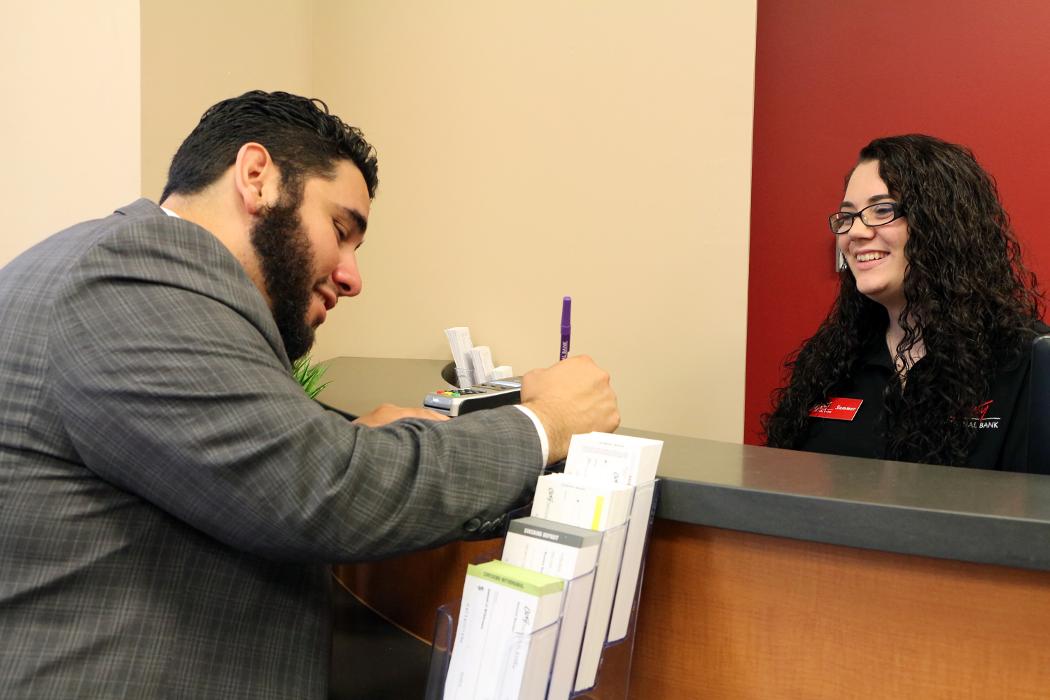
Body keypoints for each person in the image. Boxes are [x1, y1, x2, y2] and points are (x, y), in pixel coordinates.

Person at [0, 90, 619, 699]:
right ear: (257, 177)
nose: (352, 276)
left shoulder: (108, 265)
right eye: (341, 229)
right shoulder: (137, 270)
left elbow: (233, 458)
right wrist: (548, 421)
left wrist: (346, 440)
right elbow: (320, 490)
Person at [763, 134, 1047, 472]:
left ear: (942, 224)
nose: (855, 232)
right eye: (846, 217)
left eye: (882, 210)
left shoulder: (1026, 365)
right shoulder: (831, 363)